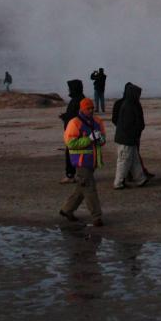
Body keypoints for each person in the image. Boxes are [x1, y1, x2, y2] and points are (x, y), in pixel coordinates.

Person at [59, 97, 106, 226]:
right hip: (80, 162)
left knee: (82, 187)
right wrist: (89, 139)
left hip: (93, 161)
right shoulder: (74, 123)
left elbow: (103, 141)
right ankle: (97, 217)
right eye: (88, 108)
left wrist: (100, 138)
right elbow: (70, 143)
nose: (91, 110)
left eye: (92, 108)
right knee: (90, 188)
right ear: (82, 109)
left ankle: (67, 210)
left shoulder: (98, 121)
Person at [113, 82, 148, 189]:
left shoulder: (131, 104)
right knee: (124, 160)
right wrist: (135, 132)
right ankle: (118, 183)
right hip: (126, 139)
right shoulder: (128, 106)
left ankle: (140, 178)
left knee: (134, 159)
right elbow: (128, 125)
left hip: (129, 138)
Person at [59, 79, 85, 184]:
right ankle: (79, 174)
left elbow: (76, 117)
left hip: (75, 133)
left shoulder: (78, 100)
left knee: (71, 154)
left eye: (70, 88)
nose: (68, 90)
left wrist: (65, 117)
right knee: (76, 154)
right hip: (75, 132)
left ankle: (71, 175)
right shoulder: (79, 99)